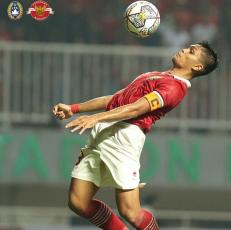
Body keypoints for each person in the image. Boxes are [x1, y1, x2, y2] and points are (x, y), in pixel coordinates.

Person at [52, 41, 218, 230]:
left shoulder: (174, 88)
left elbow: (135, 109)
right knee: (78, 202)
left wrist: (95, 118)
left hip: (124, 136)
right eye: (188, 47)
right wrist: (74, 109)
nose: (184, 49)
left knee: (130, 212)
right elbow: (114, 100)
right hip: (103, 131)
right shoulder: (155, 75)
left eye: (192, 51)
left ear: (197, 66)